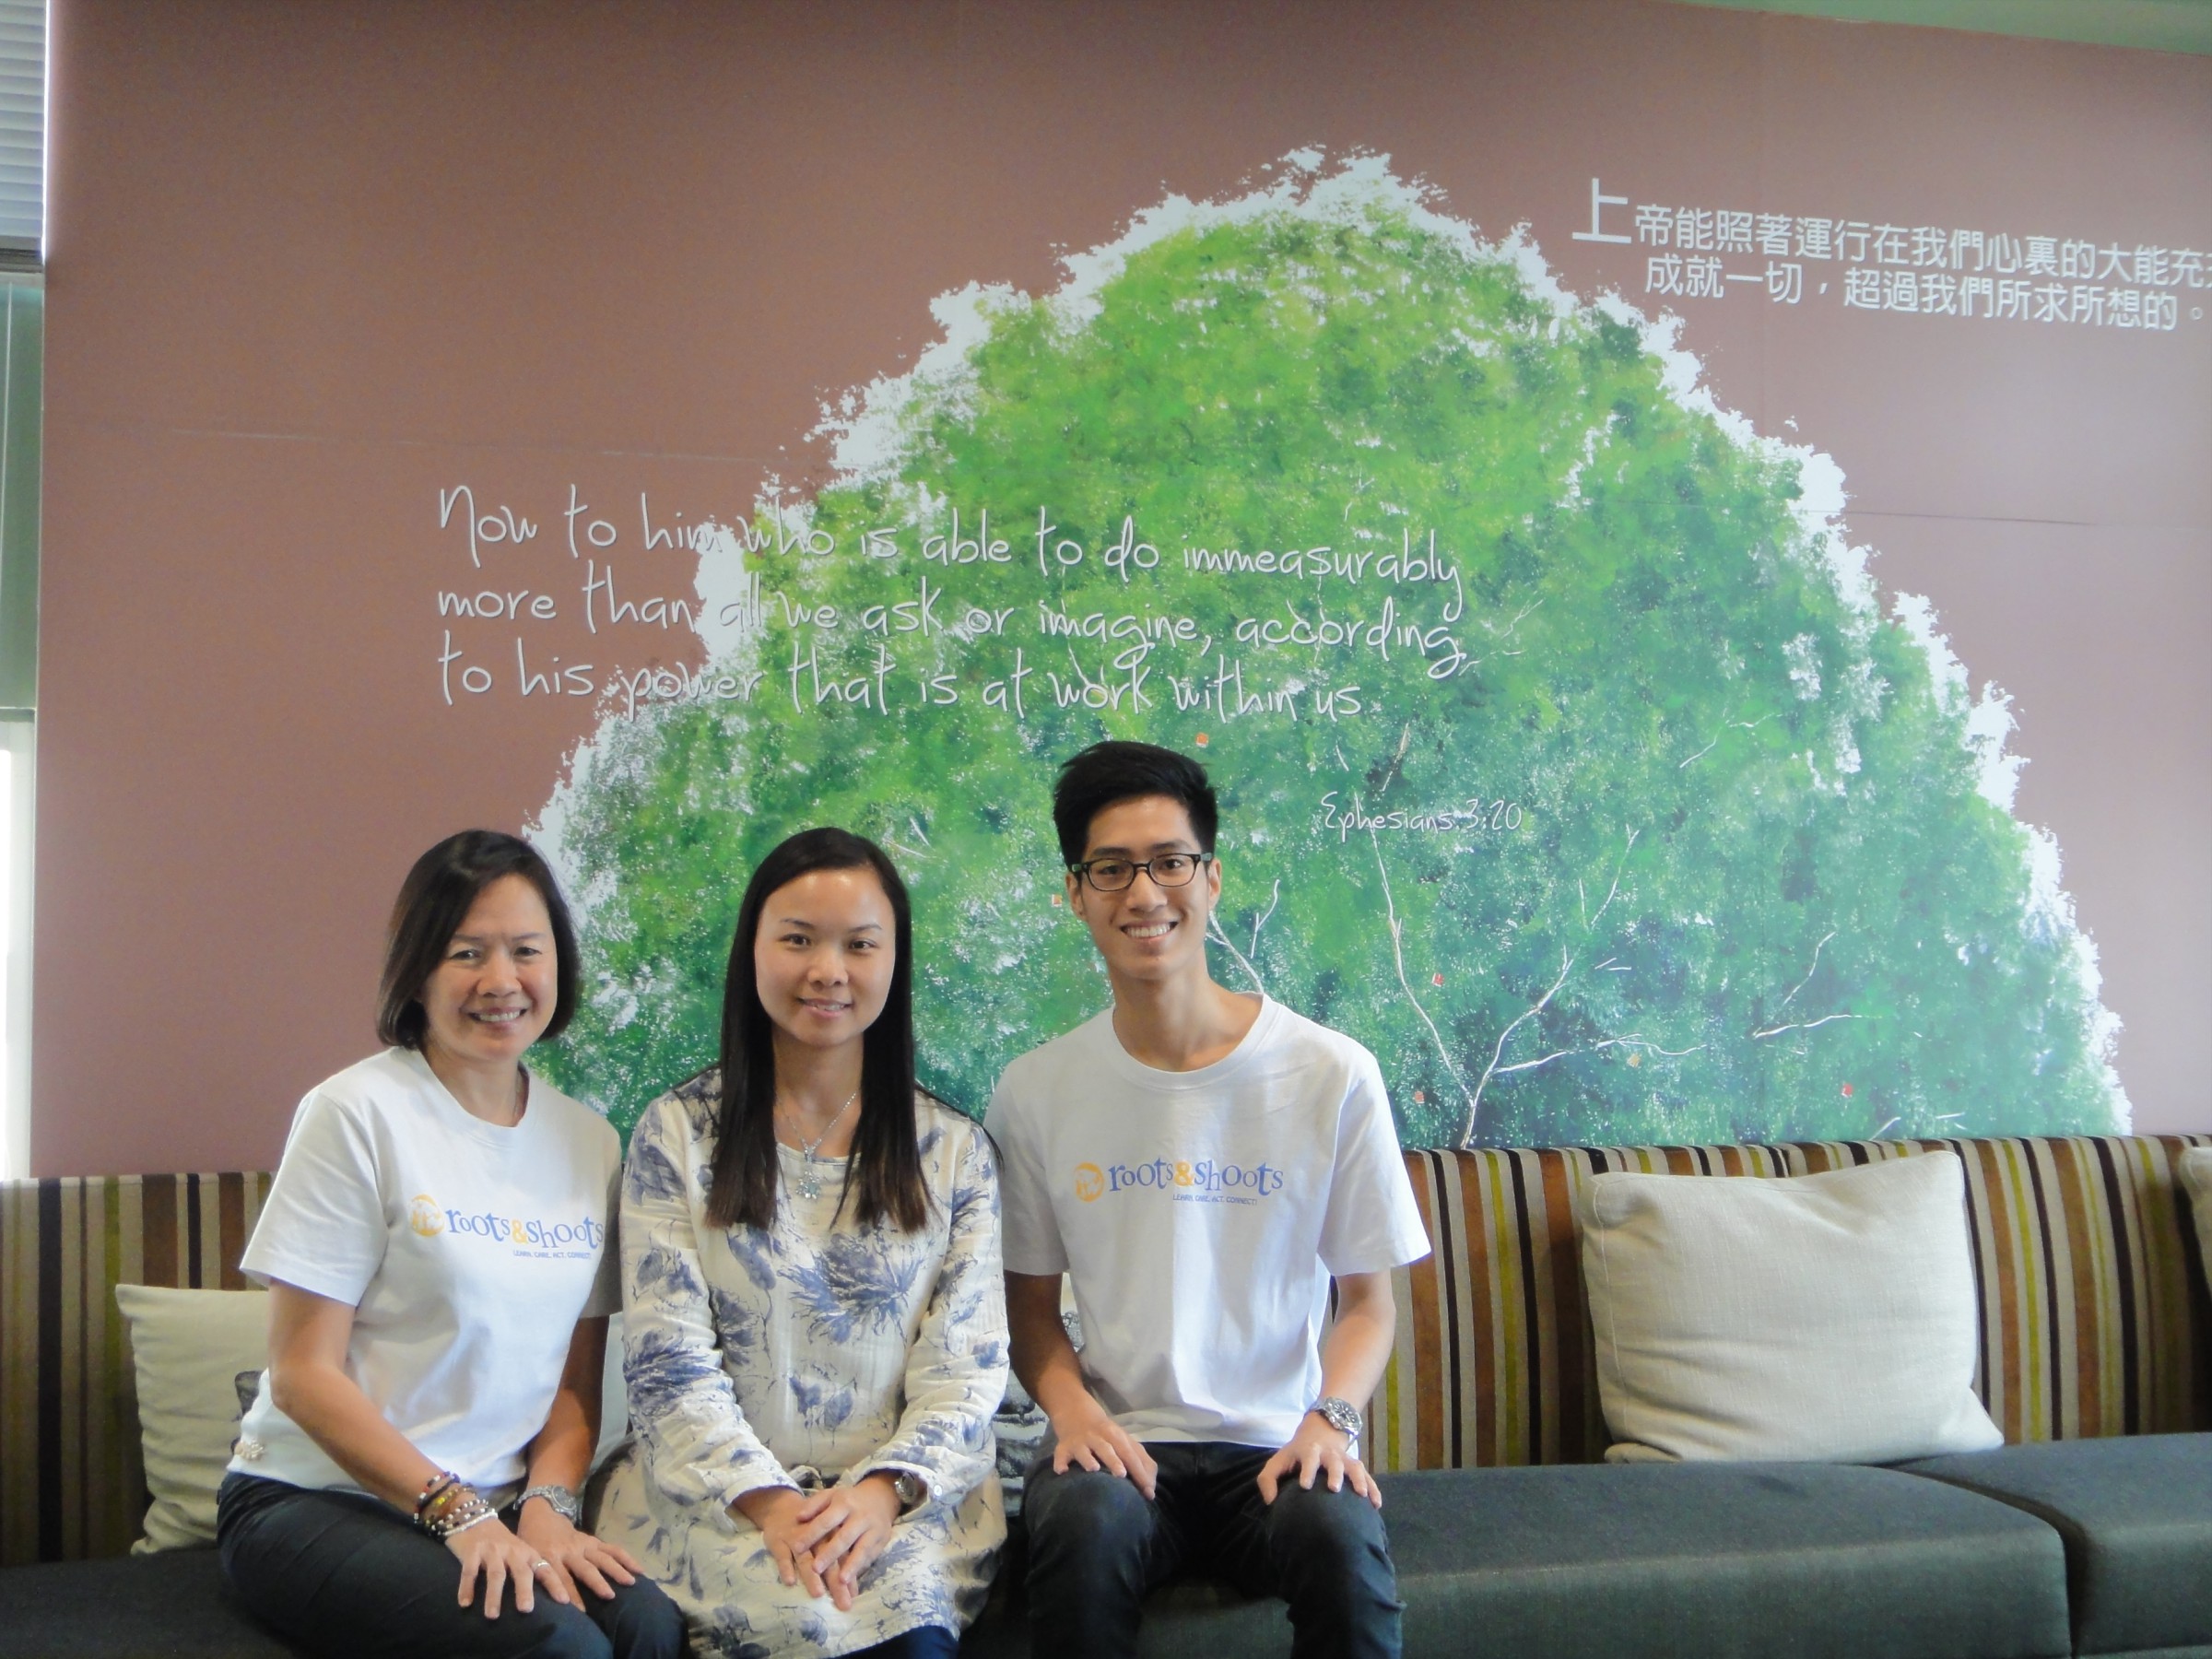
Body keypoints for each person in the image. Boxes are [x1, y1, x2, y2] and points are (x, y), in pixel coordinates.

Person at [986, 741, 1432, 1658]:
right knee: (1080, 1525)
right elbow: (1027, 1314)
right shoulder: (1036, 1090)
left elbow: (1368, 1303)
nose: (1144, 892)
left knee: (1337, 1536)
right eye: (1112, 869)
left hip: (1276, 1443)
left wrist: (1331, 1421)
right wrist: (1075, 1414)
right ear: (1076, 893)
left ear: (1212, 877)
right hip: (1121, 1445)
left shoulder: (1330, 1072)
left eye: (1170, 862)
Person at [217, 830, 686, 1659]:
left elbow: (574, 1384)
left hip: (497, 1504)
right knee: (562, 1646)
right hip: (315, 1499)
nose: (501, 981)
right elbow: (301, 1375)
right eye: (467, 953)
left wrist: (549, 1509)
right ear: (418, 970)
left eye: (526, 952)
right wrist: (458, 1514)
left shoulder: (590, 1141)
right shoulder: (354, 1113)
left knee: (648, 1625)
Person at [597, 827, 1007, 1659]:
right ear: (752, 951)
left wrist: (879, 1496)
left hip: (901, 1508)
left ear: (894, 960)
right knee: (798, 1623)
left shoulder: (954, 1151)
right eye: (798, 940)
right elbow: (669, 1363)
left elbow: (966, 1370)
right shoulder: (677, 1134)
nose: (829, 970)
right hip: (717, 1505)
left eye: (860, 944)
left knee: (907, 1639)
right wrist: (773, 1504)